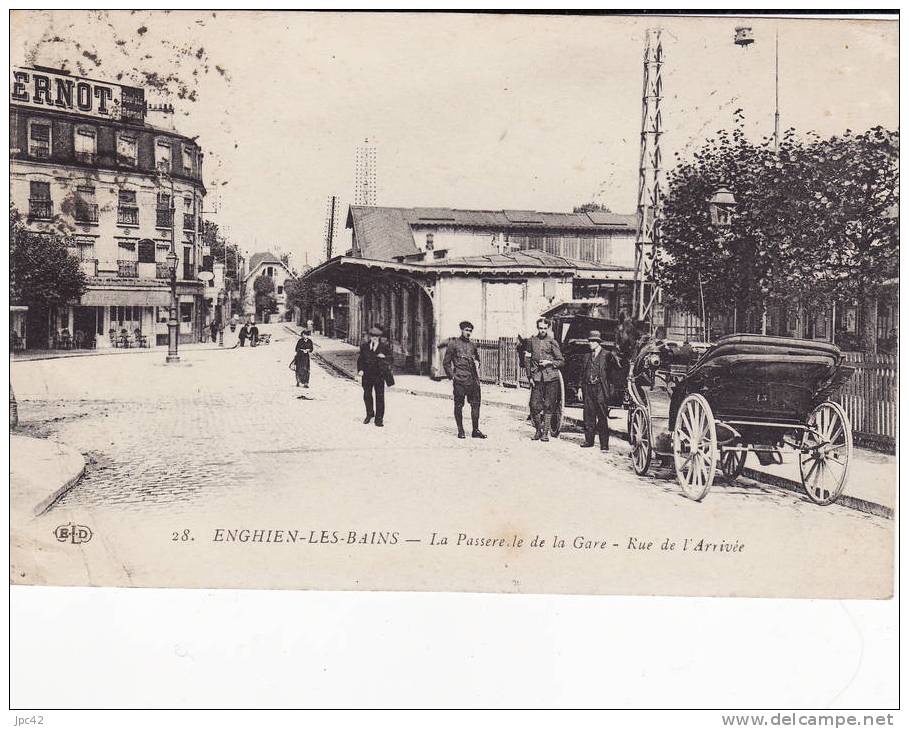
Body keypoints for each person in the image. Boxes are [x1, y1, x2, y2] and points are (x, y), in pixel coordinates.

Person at [442, 321, 487, 439]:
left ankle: (475, 430)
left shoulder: (473, 345)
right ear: (461, 330)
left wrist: (478, 363)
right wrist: (452, 376)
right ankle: (460, 430)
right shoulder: (454, 344)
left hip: (472, 380)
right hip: (460, 380)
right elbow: (446, 363)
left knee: (476, 404)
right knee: (459, 405)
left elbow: (477, 359)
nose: (468, 333)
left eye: (470, 331)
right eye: (466, 330)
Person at [527, 317, 564, 442]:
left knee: (549, 405)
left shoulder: (552, 342)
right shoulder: (532, 341)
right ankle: (538, 430)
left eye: (544, 328)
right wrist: (529, 377)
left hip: (551, 378)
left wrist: (550, 362)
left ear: (547, 328)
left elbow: (561, 361)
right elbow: (527, 360)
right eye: (540, 328)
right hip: (537, 378)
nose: (542, 330)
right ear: (537, 328)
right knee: (533, 405)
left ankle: (545, 434)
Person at [578, 330, 614, 451]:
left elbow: (612, 374)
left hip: (600, 389)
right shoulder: (587, 356)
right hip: (588, 388)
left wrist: (609, 390)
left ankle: (604, 444)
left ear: (598, 342)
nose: (590, 343)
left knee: (602, 417)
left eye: (593, 341)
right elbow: (582, 374)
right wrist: (579, 389)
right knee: (588, 416)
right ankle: (589, 441)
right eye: (590, 341)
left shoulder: (607, 355)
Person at [356, 325, 393, 426]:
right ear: (370, 337)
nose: (374, 338)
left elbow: (391, 359)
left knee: (380, 397)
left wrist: (384, 357)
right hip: (367, 376)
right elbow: (360, 360)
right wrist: (360, 370)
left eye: (376, 337)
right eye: (372, 336)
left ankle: (379, 419)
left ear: (379, 337)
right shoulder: (364, 346)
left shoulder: (384, 347)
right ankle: (369, 414)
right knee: (367, 395)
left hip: (379, 375)